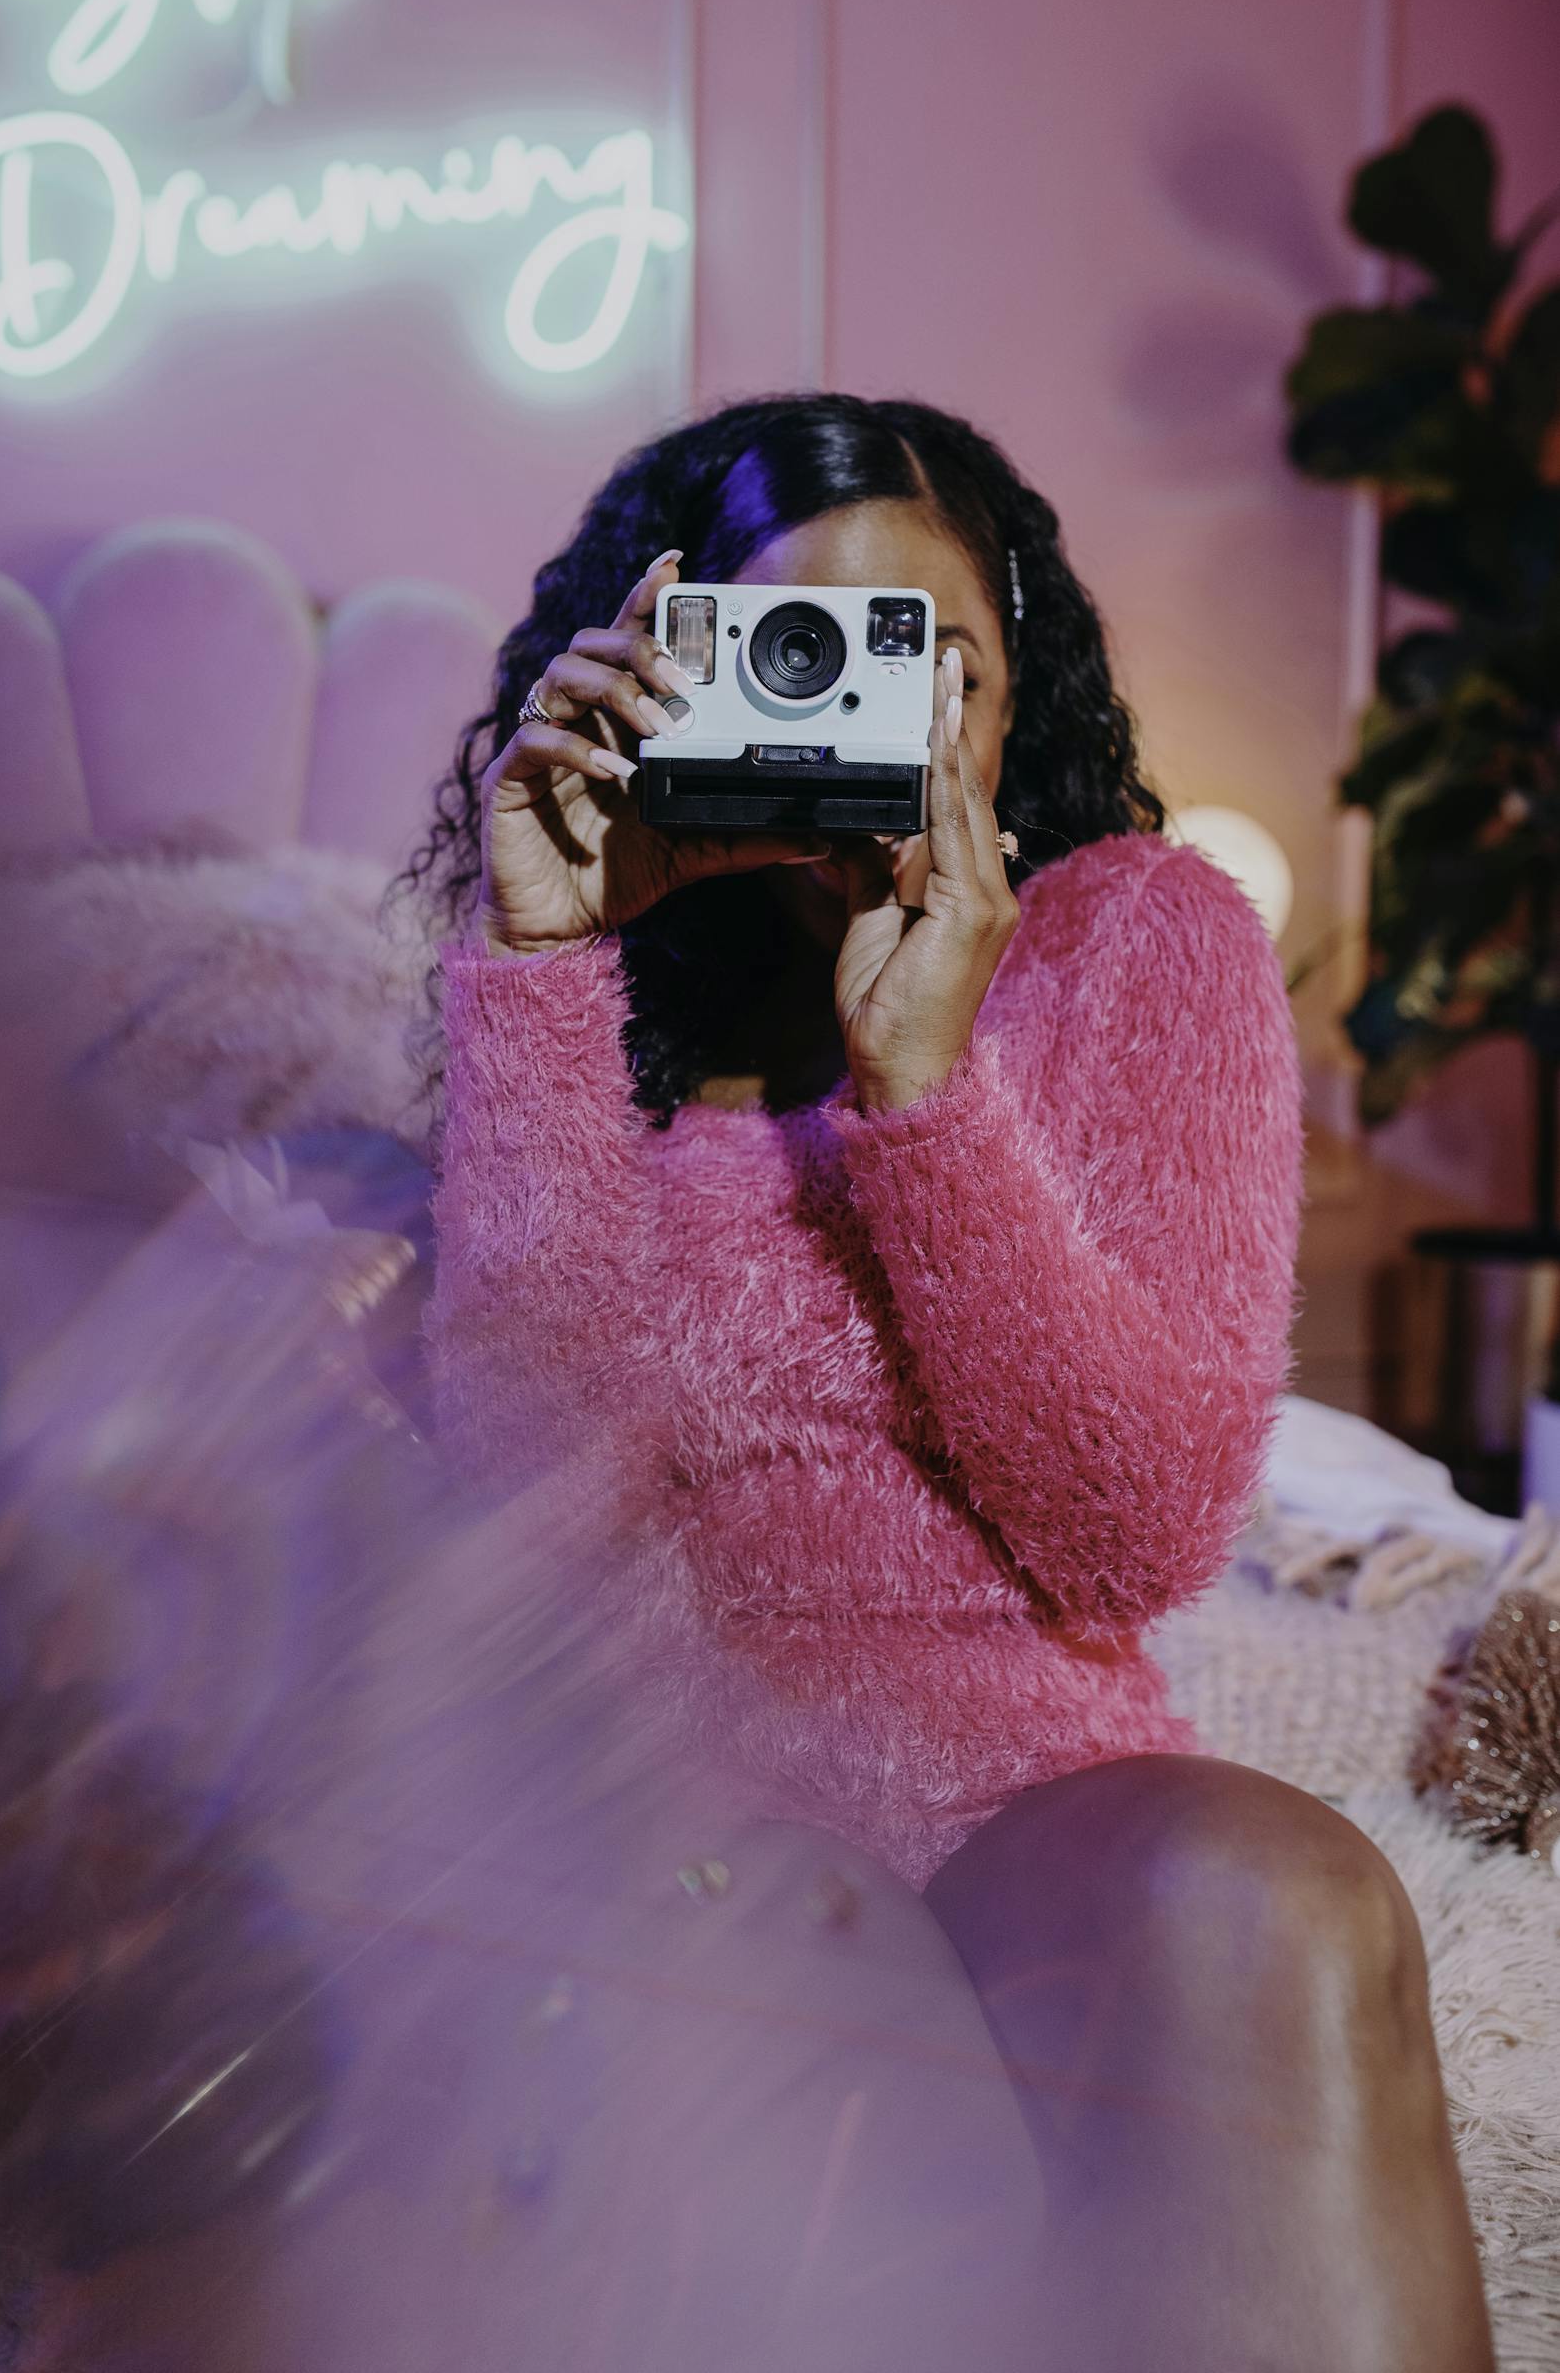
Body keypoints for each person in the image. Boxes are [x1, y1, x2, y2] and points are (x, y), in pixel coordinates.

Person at [403, 392, 1494, 2369]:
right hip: (690, 1833)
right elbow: (529, 1498)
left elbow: (1134, 1528)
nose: (862, 722)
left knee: (1267, 1885)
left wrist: (926, 1087)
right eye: (788, 651)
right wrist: (540, 960)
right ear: (662, 665)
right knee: (761, 1962)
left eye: (926, 665)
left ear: (1007, 696)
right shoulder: (581, 981)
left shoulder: (1134, 937)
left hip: (1034, 1819)